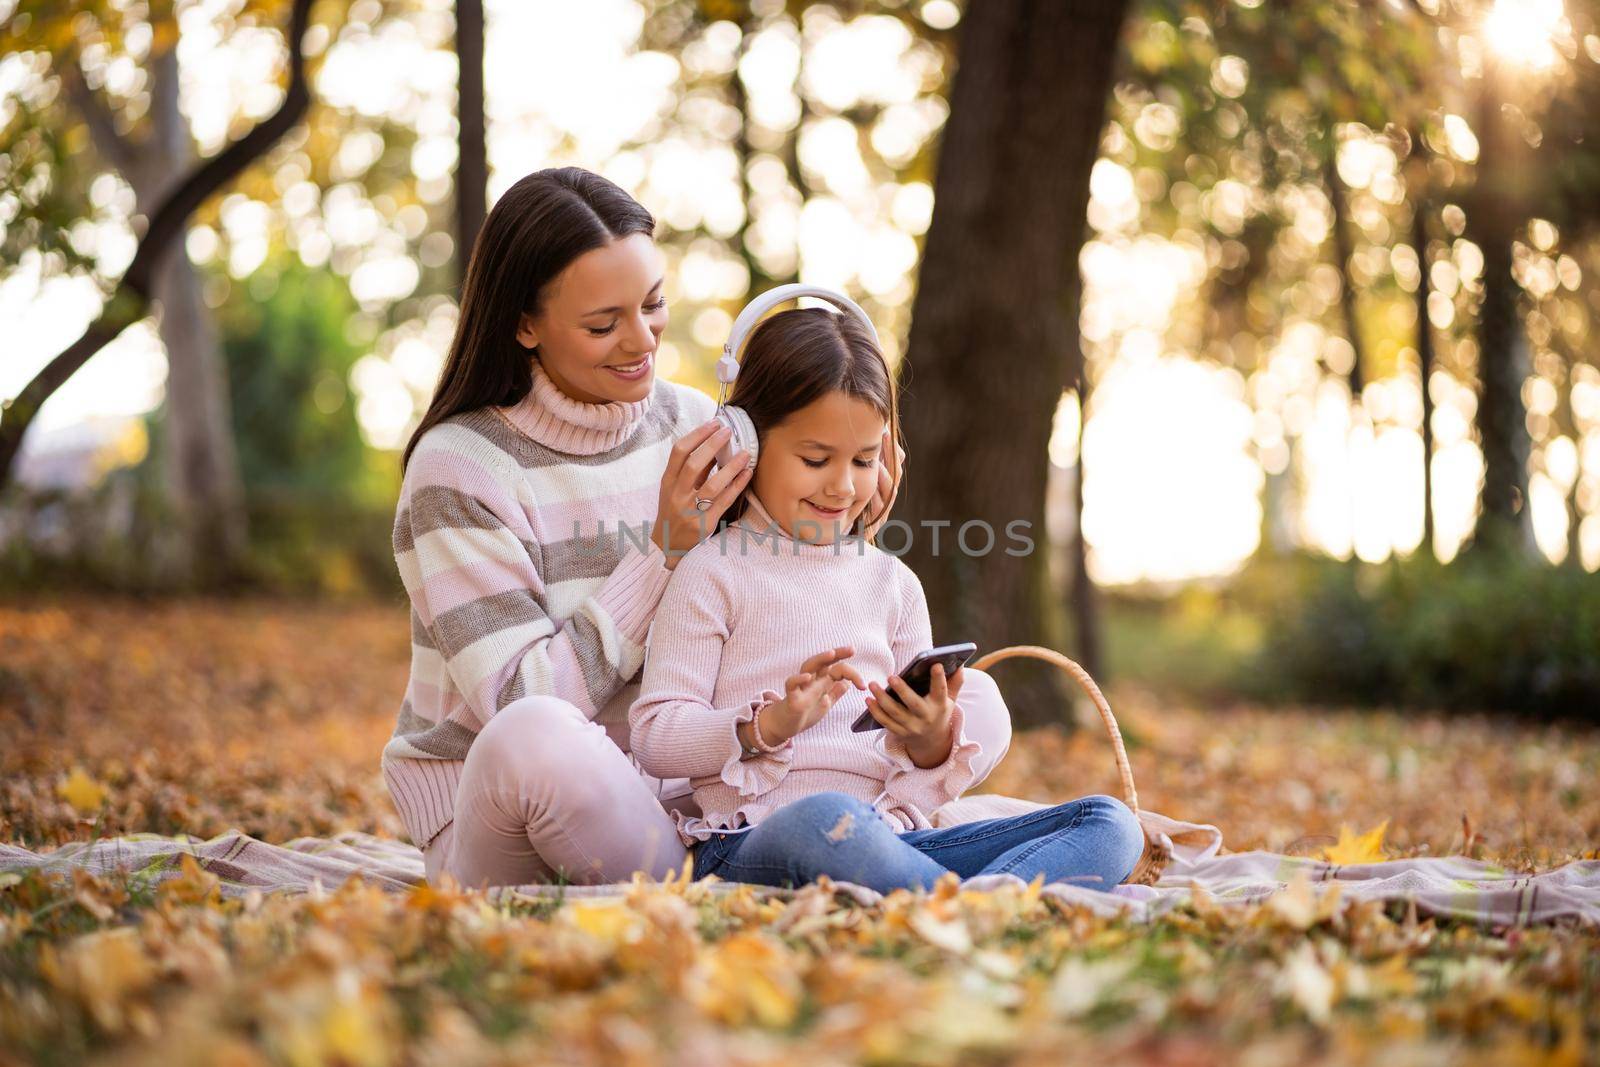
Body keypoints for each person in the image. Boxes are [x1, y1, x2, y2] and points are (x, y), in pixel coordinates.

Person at [382, 167, 1014, 888]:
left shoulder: (702, 426)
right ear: (524, 324)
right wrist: (663, 554)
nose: (640, 340)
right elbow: (519, 704)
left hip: (687, 811)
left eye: (652, 305)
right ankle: (866, 858)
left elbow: (780, 573)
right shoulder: (461, 471)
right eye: (602, 323)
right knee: (532, 738)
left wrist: (857, 509)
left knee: (974, 697)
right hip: (523, 800)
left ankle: (816, 852)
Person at [628, 300, 1145, 894]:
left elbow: (911, 763)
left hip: (891, 840)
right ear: (746, 444)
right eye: (815, 459)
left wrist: (929, 738)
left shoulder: (894, 585)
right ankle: (968, 899)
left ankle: (962, 903)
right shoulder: (711, 572)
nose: (843, 486)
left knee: (1110, 824)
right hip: (755, 840)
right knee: (826, 818)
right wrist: (766, 726)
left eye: (865, 460)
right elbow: (656, 734)